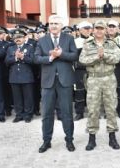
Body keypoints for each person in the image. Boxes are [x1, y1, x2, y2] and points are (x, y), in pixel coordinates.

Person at [34, 15, 78, 153]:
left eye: (56, 23)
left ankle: (69, 140)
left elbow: (74, 56)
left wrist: (61, 54)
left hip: (65, 81)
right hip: (48, 82)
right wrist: (50, 57)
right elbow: (36, 58)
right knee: (47, 113)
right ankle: (46, 141)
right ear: (48, 25)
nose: (53, 26)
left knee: (67, 112)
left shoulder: (69, 39)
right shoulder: (42, 40)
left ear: (61, 25)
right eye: (51, 23)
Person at [79, 20, 120, 151]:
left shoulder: (112, 43)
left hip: (109, 78)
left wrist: (105, 55)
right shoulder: (87, 44)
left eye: (101, 28)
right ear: (93, 30)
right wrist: (97, 57)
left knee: (111, 108)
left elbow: (117, 58)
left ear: (105, 30)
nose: (99, 31)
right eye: (96, 28)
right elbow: (82, 60)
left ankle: (112, 137)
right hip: (93, 79)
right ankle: (92, 138)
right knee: (93, 109)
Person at [5, 29, 35, 123]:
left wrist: (22, 57)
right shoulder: (11, 48)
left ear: (24, 38)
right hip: (14, 76)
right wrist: (15, 57)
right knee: (17, 97)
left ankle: (28, 114)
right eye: (16, 37)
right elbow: (6, 61)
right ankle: (19, 114)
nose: (17, 39)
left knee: (28, 97)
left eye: (20, 37)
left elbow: (33, 61)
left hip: (26, 76)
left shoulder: (30, 47)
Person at [107, 20, 120, 119]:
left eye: (113, 27)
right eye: (109, 26)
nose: (111, 28)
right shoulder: (102, 39)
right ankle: (108, 110)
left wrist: (113, 44)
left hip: (119, 67)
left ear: (117, 29)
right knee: (107, 90)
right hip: (106, 67)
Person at [73, 21, 93, 121]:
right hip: (79, 70)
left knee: (92, 92)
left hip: (92, 70)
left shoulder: (94, 40)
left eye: (89, 28)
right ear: (80, 30)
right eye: (86, 28)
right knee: (79, 91)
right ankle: (79, 112)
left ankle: (93, 112)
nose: (88, 30)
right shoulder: (75, 42)